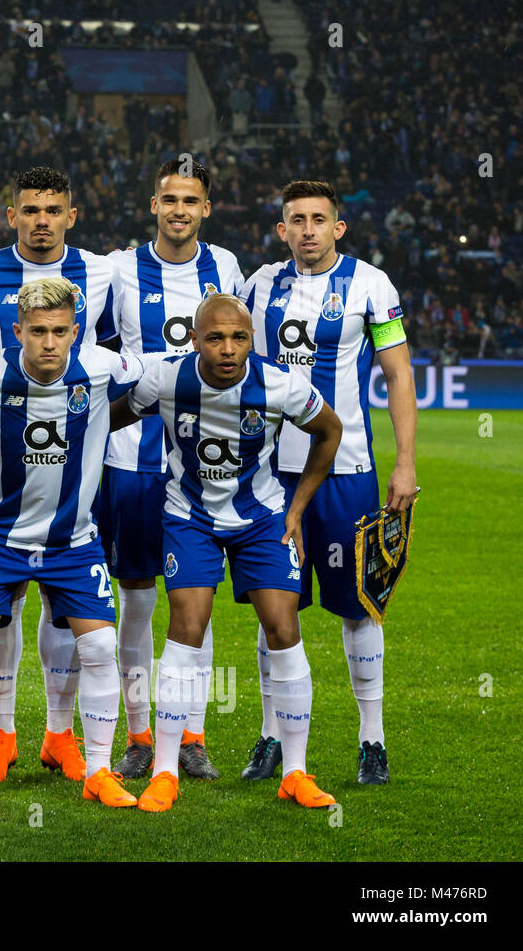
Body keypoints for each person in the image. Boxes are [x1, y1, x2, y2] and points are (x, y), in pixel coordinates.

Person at [110, 293, 343, 812]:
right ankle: (166, 772)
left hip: (261, 518)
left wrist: (298, 507)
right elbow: (110, 419)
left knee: (284, 629)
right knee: (186, 627)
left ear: (252, 340)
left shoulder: (280, 385)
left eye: (238, 337)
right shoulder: (166, 379)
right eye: (214, 337)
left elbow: (329, 431)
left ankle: (295, 772)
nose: (227, 348)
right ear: (194, 340)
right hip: (188, 516)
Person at [0, 277, 144, 810]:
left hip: (73, 540)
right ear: (18, 330)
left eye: (60, 332)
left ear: (76, 332)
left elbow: (161, 375)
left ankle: (97, 769)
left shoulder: (103, 366)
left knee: (97, 647)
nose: (50, 343)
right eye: (38, 331)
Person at [240, 180, 417, 785]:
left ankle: (373, 741)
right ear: (281, 228)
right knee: (274, 609)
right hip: (270, 474)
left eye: (319, 218)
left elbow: (397, 376)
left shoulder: (372, 284)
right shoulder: (256, 287)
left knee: (358, 608)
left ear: (338, 227)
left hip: (348, 474)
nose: (308, 228)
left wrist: (405, 463)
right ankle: (269, 736)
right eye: (297, 219)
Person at [0, 167, 118, 787]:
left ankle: (62, 737)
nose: (41, 219)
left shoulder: (103, 273)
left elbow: (128, 375)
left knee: (68, 622)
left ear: (71, 215)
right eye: (29, 209)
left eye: (53, 209)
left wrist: (85, 429)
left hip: (72, 488)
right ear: (12, 214)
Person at [100, 158, 245, 782]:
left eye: (191, 199)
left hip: (203, 464)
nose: (179, 209)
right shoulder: (119, 268)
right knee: (134, 602)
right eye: (168, 199)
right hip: (131, 459)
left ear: (206, 208)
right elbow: (94, 342)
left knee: (195, 603)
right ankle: (138, 737)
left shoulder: (228, 268)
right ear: (152, 205)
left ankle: (190, 735)